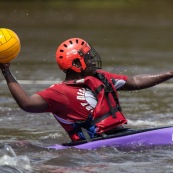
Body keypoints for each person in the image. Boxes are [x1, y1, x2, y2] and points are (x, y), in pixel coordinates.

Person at [0, 37, 173, 142]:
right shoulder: (58, 93)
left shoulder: (100, 77)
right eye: (88, 57)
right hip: (93, 144)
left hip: (120, 134)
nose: (93, 60)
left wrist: (170, 73)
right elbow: (27, 104)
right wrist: (6, 70)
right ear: (75, 64)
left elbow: (134, 81)